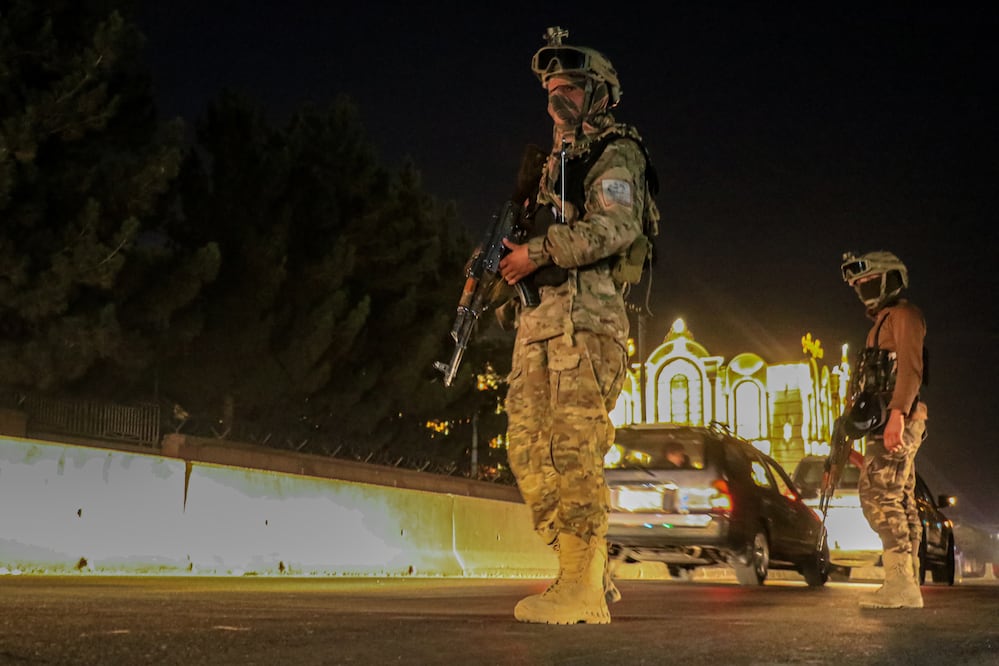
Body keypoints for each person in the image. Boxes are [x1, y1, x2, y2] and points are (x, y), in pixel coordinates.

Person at [498, 26, 659, 625]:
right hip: (539, 326)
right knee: (524, 448)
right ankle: (585, 566)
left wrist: (538, 253)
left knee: (575, 451)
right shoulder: (550, 168)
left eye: (570, 86)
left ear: (601, 94)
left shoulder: (617, 152)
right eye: (552, 88)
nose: (558, 97)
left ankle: (580, 586)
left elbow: (616, 228)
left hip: (587, 325)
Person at [840, 250, 928, 609]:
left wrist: (896, 415)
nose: (862, 288)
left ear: (890, 278)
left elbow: (910, 368)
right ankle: (908, 580)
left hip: (898, 416)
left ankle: (901, 584)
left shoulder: (904, 315)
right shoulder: (884, 320)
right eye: (857, 284)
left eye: (869, 280)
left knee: (878, 496)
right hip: (890, 417)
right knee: (900, 496)